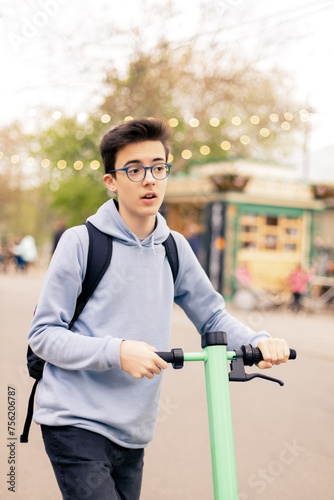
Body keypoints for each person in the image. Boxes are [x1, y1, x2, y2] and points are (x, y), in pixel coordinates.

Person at [28, 118, 290, 500]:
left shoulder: (175, 248)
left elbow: (212, 317)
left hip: (133, 431)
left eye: (157, 167)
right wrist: (117, 351)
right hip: (75, 422)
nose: (149, 179)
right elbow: (43, 335)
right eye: (134, 170)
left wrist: (259, 341)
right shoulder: (81, 243)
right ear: (111, 182)